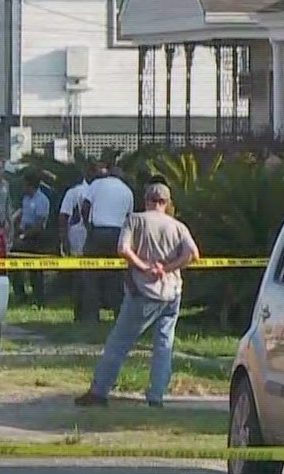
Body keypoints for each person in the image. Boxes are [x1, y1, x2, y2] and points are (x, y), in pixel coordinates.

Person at [76, 181, 199, 408]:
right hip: (172, 292)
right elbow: (193, 254)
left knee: (119, 342)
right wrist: (169, 268)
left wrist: (143, 267)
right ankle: (156, 396)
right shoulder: (178, 226)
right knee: (164, 345)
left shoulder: (135, 220)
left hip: (143, 291)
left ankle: (99, 391)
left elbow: (123, 249)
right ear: (167, 203)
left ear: (146, 201)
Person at [75, 163, 134, 322]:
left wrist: (88, 226)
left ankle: (90, 317)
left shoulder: (97, 184)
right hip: (117, 234)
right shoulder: (127, 191)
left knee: (91, 276)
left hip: (97, 233)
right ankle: (119, 316)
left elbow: (85, 206)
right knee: (117, 277)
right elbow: (130, 218)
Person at [11, 174, 56, 304]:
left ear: (31, 185)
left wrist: (23, 236)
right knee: (15, 266)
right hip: (23, 233)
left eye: (25, 185)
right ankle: (20, 295)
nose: (23, 187)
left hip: (35, 238)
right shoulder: (26, 199)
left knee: (35, 271)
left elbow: (39, 224)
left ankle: (38, 298)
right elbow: (22, 216)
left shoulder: (42, 200)